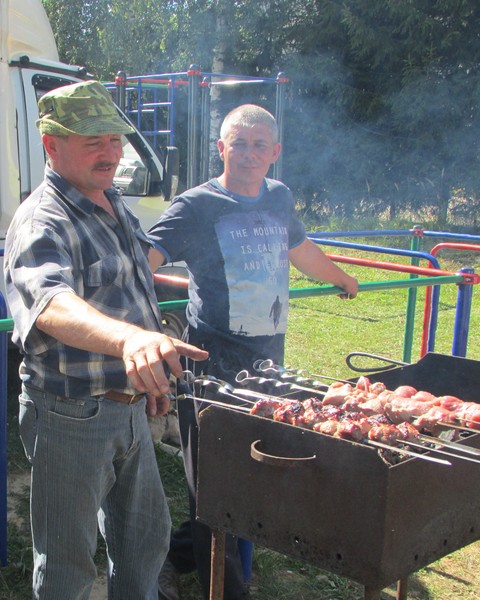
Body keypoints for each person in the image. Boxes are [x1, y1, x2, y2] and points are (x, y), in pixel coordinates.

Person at [4, 80, 208, 599]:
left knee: (144, 541)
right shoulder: (41, 219)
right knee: (68, 564)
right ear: (52, 145)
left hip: (131, 407)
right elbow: (50, 304)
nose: (111, 152)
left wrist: (150, 369)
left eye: (116, 138)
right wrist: (129, 343)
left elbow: (132, 292)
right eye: (93, 139)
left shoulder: (112, 201)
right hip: (70, 414)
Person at [148, 104, 359, 600]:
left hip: (267, 367)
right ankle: (226, 590)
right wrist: (135, 326)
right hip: (208, 369)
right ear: (221, 148)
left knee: (246, 476)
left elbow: (299, 249)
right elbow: (145, 259)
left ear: (275, 153)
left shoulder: (279, 197)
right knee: (214, 488)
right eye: (237, 144)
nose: (248, 154)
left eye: (259, 145)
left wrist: (341, 278)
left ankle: (170, 554)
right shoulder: (195, 205)